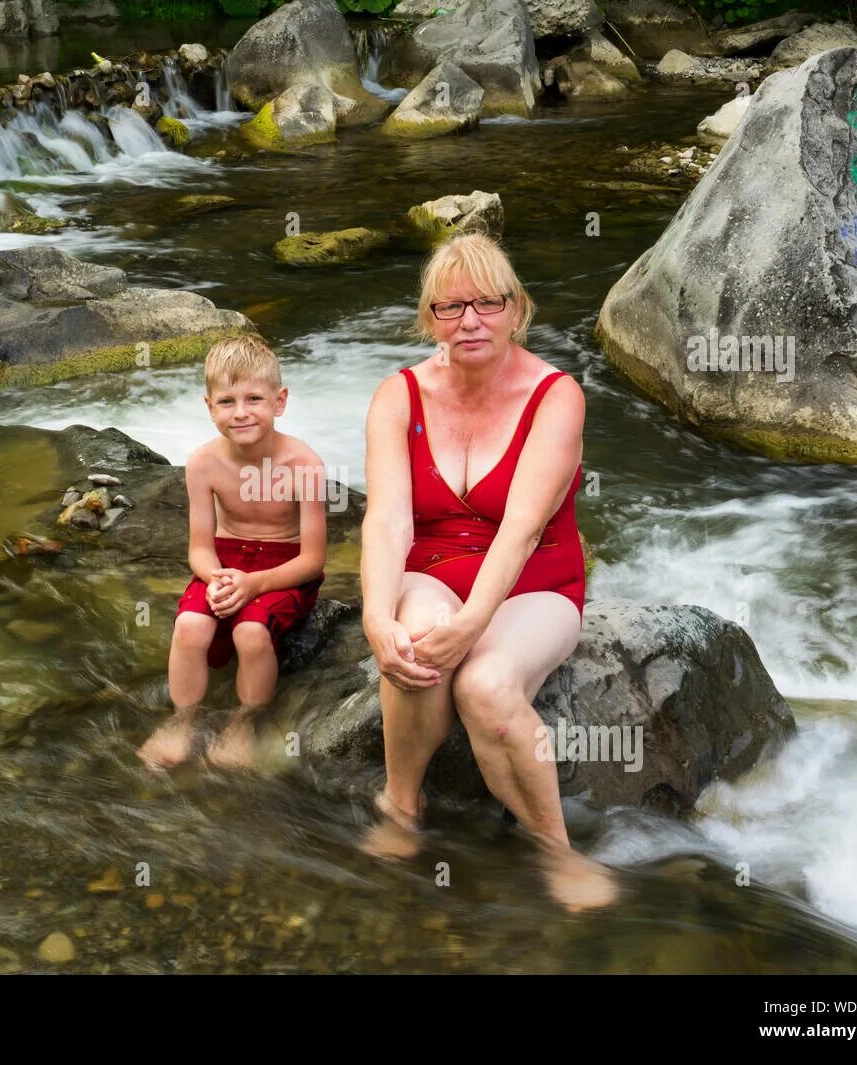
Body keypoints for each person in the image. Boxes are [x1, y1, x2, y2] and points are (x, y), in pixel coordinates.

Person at [359, 232, 616, 911]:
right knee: (414, 647)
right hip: (432, 571)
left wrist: (473, 622)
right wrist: (375, 614)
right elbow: (388, 520)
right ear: (428, 319)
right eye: (449, 308)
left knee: (486, 683)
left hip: (537, 581)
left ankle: (557, 851)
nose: (469, 320)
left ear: (516, 309)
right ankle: (402, 805)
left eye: (486, 303)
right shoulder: (398, 397)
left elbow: (523, 527)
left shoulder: (556, 396)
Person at [138, 335, 327, 771]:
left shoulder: (304, 465)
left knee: (250, 633)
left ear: (279, 402)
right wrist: (217, 577)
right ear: (209, 407)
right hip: (225, 562)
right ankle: (183, 720)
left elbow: (313, 560)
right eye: (226, 402)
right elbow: (200, 548)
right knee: (188, 626)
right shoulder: (202, 464)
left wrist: (255, 583)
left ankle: (246, 720)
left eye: (254, 399)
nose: (240, 412)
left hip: (285, 566)